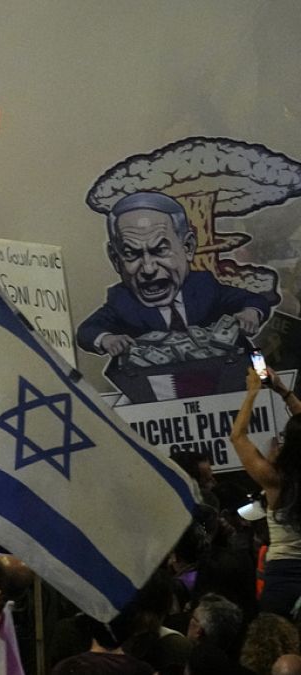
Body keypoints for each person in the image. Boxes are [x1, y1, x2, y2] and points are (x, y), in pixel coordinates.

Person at [76, 191, 271, 356]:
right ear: (115, 259)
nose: (149, 269)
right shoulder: (122, 301)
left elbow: (254, 300)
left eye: (160, 250)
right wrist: (107, 339)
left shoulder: (203, 286)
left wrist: (251, 313)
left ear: (188, 247)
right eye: (131, 254)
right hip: (160, 382)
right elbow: (87, 331)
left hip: (231, 373)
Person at [231, 367, 301, 616]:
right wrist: (283, 391)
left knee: (274, 637)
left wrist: (253, 392)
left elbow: (238, 437)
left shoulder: (275, 481)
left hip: (283, 577)